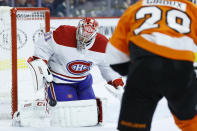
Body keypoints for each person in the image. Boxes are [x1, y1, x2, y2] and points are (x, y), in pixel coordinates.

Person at [106, 0, 197, 131]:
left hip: (144, 68)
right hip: (180, 69)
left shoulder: (134, 8)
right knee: (189, 120)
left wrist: (130, 70)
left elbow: (114, 56)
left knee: (133, 127)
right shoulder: (191, 8)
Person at [22, 17, 124, 127]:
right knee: (68, 116)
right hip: (59, 82)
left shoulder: (103, 43)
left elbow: (107, 66)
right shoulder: (62, 34)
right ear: (78, 28)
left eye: (88, 35)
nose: (83, 38)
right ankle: (40, 107)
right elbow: (44, 42)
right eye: (82, 33)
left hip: (83, 83)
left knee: (90, 115)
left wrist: (117, 83)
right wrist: (40, 60)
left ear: (95, 34)